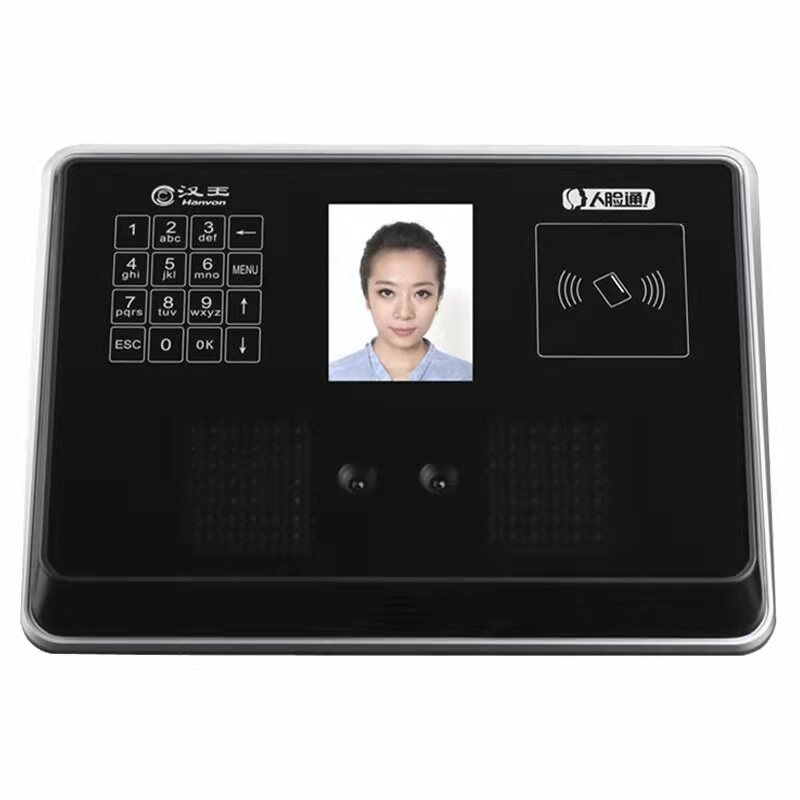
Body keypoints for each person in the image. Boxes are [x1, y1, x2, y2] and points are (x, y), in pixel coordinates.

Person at [329, 221, 473, 382]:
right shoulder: (335, 376)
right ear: (367, 296)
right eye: (387, 292)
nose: (404, 313)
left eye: (421, 293)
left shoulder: (466, 375)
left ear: (438, 298)